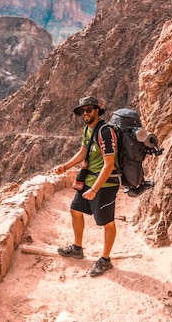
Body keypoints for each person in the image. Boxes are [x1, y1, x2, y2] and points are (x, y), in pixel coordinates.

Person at [53, 96, 120, 277]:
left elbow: (108, 164)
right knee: (75, 210)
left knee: (107, 222)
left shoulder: (105, 132)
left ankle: (105, 260)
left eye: (88, 110)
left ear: (97, 111)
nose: (85, 114)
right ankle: (77, 248)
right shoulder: (87, 130)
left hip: (105, 184)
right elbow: (83, 152)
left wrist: (94, 190)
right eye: (82, 111)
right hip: (88, 180)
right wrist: (65, 166)